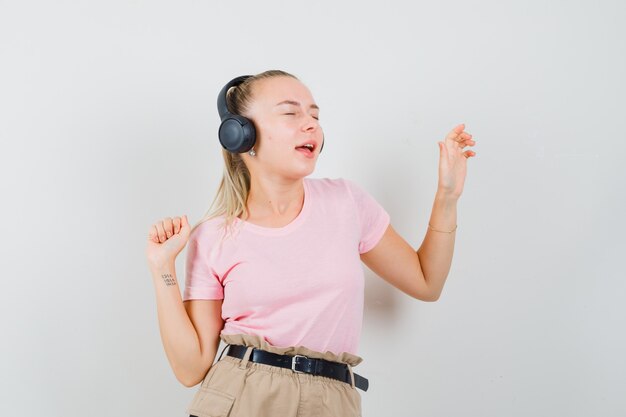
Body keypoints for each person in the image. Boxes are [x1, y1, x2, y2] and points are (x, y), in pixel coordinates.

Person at [145, 69, 476, 417]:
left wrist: (447, 196)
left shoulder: (347, 202)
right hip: (242, 395)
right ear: (240, 135)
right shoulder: (212, 236)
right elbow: (190, 369)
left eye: (315, 115)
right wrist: (162, 268)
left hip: (332, 400)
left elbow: (426, 282)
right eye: (291, 113)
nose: (311, 125)